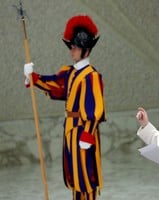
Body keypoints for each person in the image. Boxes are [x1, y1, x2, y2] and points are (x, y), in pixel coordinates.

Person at [23, 15, 106, 200]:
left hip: (83, 131)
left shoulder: (91, 76)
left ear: (85, 49)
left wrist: (87, 133)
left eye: (75, 48)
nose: (72, 51)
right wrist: (34, 77)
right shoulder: (71, 73)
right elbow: (57, 85)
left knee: (86, 176)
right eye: (72, 47)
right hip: (70, 129)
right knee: (75, 175)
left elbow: (95, 109)